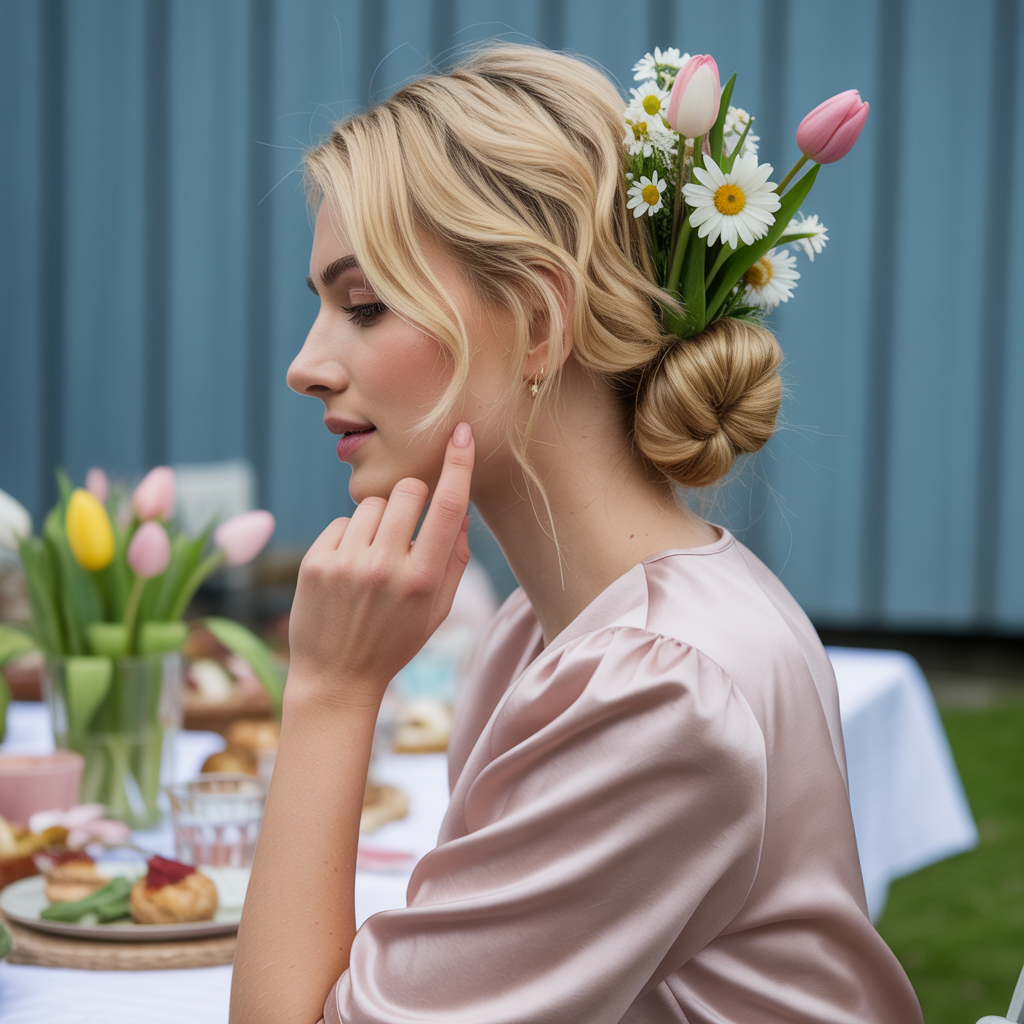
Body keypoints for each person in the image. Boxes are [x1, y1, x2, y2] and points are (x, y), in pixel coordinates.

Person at [230, 44, 923, 1024]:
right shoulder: (555, 627)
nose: (307, 366)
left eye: (364, 305)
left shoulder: (657, 684)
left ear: (542, 321)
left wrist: (331, 690)